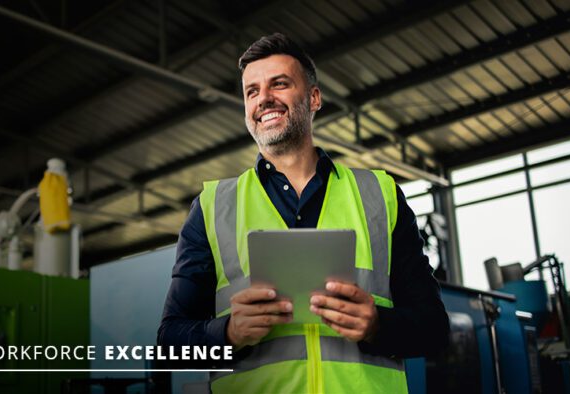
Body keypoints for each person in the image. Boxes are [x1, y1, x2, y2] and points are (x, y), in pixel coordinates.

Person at [158, 33, 449, 393]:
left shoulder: (380, 195)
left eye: (279, 84)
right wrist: (228, 333)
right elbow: (168, 348)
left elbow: (435, 330)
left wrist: (377, 326)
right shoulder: (213, 207)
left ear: (313, 98)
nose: (263, 98)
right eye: (251, 91)